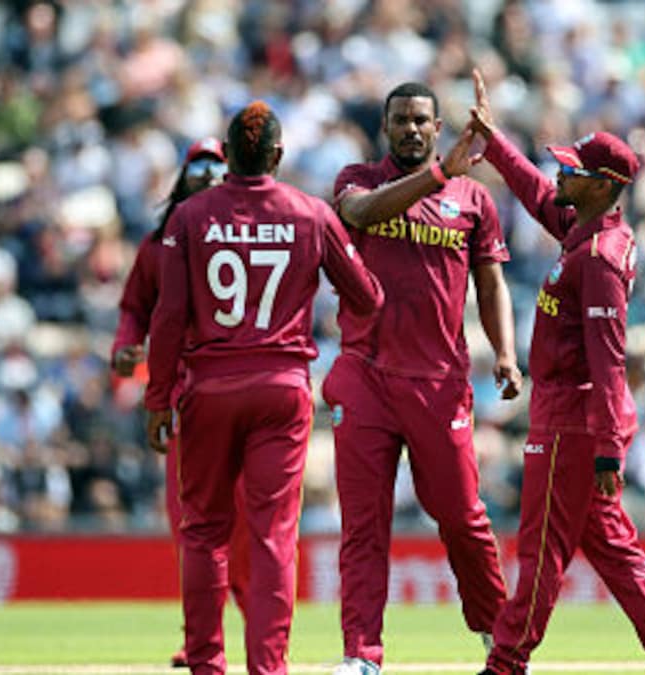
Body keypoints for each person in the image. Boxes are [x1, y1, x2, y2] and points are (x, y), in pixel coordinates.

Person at [464, 70, 645, 675]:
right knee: (614, 549)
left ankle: (505, 663)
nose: (561, 173)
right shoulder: (586, 231)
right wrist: (493, 143)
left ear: (604, 186)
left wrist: (606, 450)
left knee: (541, 547)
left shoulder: (598, 258)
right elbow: (534, 192)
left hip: (574, 421)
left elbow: (609, 361)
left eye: (573, 169)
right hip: (574, 415)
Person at [145, 101, 384, 675]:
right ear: (278, 155)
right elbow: (369, 298)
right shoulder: (310, 212)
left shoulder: (190, 217)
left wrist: (157, 398)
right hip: (282, 388)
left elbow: (169, 317)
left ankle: (206, 663)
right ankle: (268, 668)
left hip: (208, 387)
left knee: (203, 532)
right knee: (274, 534)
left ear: (226, 155)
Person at [325, 82, 521, 674]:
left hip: (439, 382)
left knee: (464, 519)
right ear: (386, 128)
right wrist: (438, 177)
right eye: (401, 120)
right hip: (365, 375)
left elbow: (490, 283)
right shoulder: (356, 178)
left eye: (421, 120)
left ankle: (500, 642)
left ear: (438, 128)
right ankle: (362, 655)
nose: (411, 129)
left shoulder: (474, 199)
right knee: (364, 526)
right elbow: (360, 213)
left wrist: (506, 355)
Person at [110, 136, 246, 668]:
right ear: (184, 175)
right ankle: (201, 640)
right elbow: (134, 308)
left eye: (218, 164)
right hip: (188, 398)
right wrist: (125, 347)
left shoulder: (249, 232)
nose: (209, 172)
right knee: (191, 523)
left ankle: (255, 629)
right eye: (199, 164)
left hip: (239, 387)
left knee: (245, 524)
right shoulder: (158, 243)